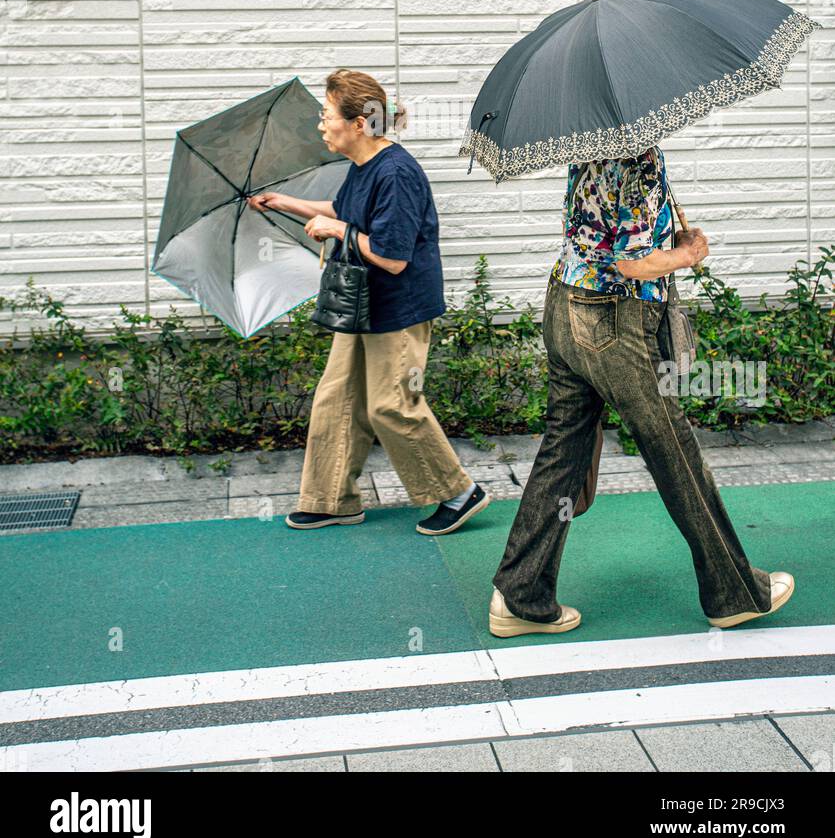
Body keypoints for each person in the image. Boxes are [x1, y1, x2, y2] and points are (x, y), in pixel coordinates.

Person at [489, 144, 794, 636]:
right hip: (613, 320)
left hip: (564, 305)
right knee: (673, 449)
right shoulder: (640, 159)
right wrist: (686, 254)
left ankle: (520, 594)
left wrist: (668, 237)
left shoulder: (585, 147)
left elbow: (605, 233)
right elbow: (633, 264)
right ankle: (734, 592)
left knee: (564, 450)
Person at [248, 68, 490, 536]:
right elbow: (343, 212)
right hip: (361, 303)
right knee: (337, 397)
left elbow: (394, 258)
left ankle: (459, 492)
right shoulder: (363, 167)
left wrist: (338, 233)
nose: (321, 125)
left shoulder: (397, 173)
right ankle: (331, 500)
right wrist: (284, 202)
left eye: (326, 116)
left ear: (359, 123)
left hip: (398, 308)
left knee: (390, 405)